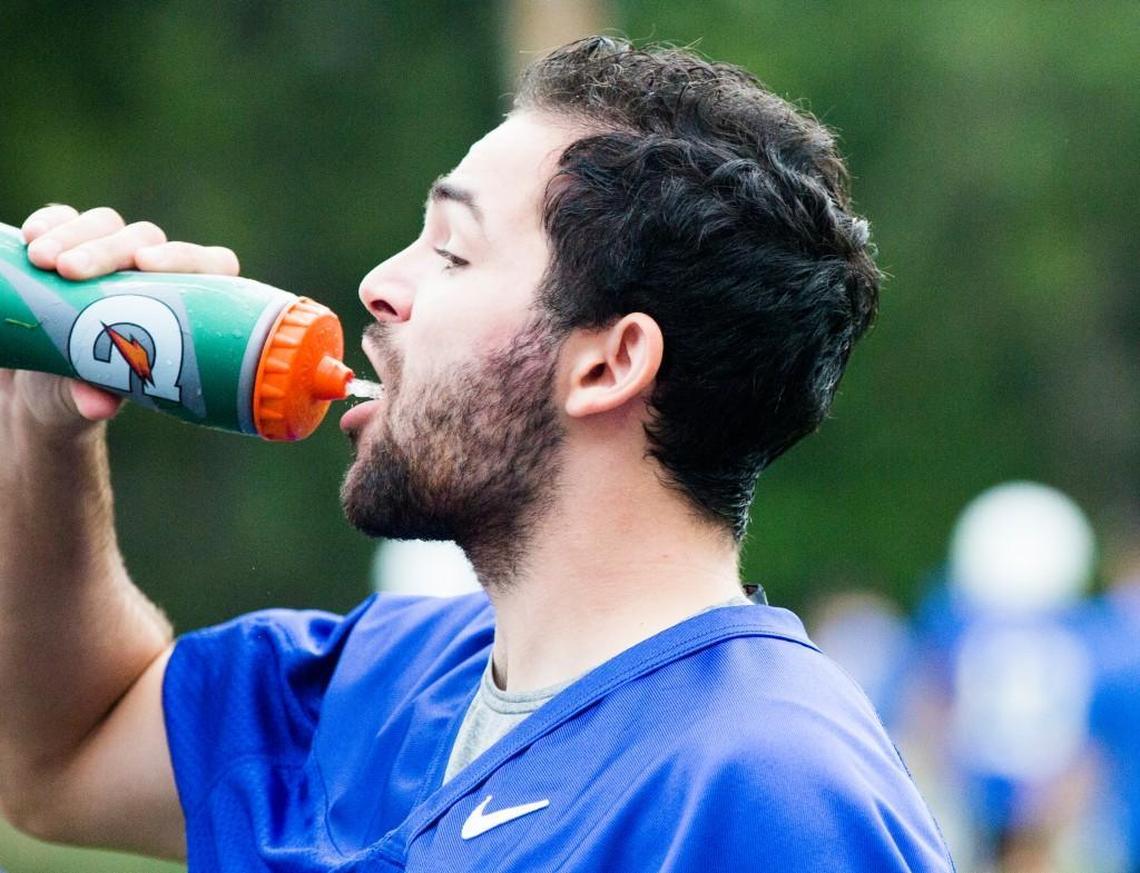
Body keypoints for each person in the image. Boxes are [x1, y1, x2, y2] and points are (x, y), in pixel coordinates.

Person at [0, 37, 954, 871]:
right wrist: (49, 427)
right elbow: (60, 754)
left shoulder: (766, 790)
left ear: (609, 363)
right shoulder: (389, 679)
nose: (378, 287)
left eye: (451, 252)